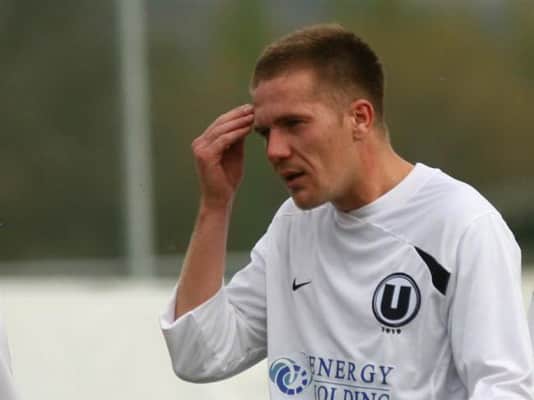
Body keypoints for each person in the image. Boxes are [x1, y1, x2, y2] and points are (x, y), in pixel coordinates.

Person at [160, 23, 534, 399]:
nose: (275, 150)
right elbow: (199, 356)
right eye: (265, 133)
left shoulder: (463, 224)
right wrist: (215, 206)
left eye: (294, 124)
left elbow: (504, 388)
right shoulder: (294, 224)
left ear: (360, 118)